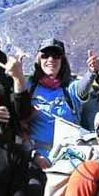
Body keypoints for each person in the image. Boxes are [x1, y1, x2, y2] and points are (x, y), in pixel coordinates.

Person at [24, 38, 82, 168]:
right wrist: (34, 155)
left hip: (69, 159)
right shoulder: (29, 87)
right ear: (39, 60)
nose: (50, 59)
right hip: (37, 159)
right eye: (45, 56)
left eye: (56, 56)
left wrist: (92, 72)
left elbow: (83, 89)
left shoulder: (71, 88)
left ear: (62, 60)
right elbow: (20, 123)